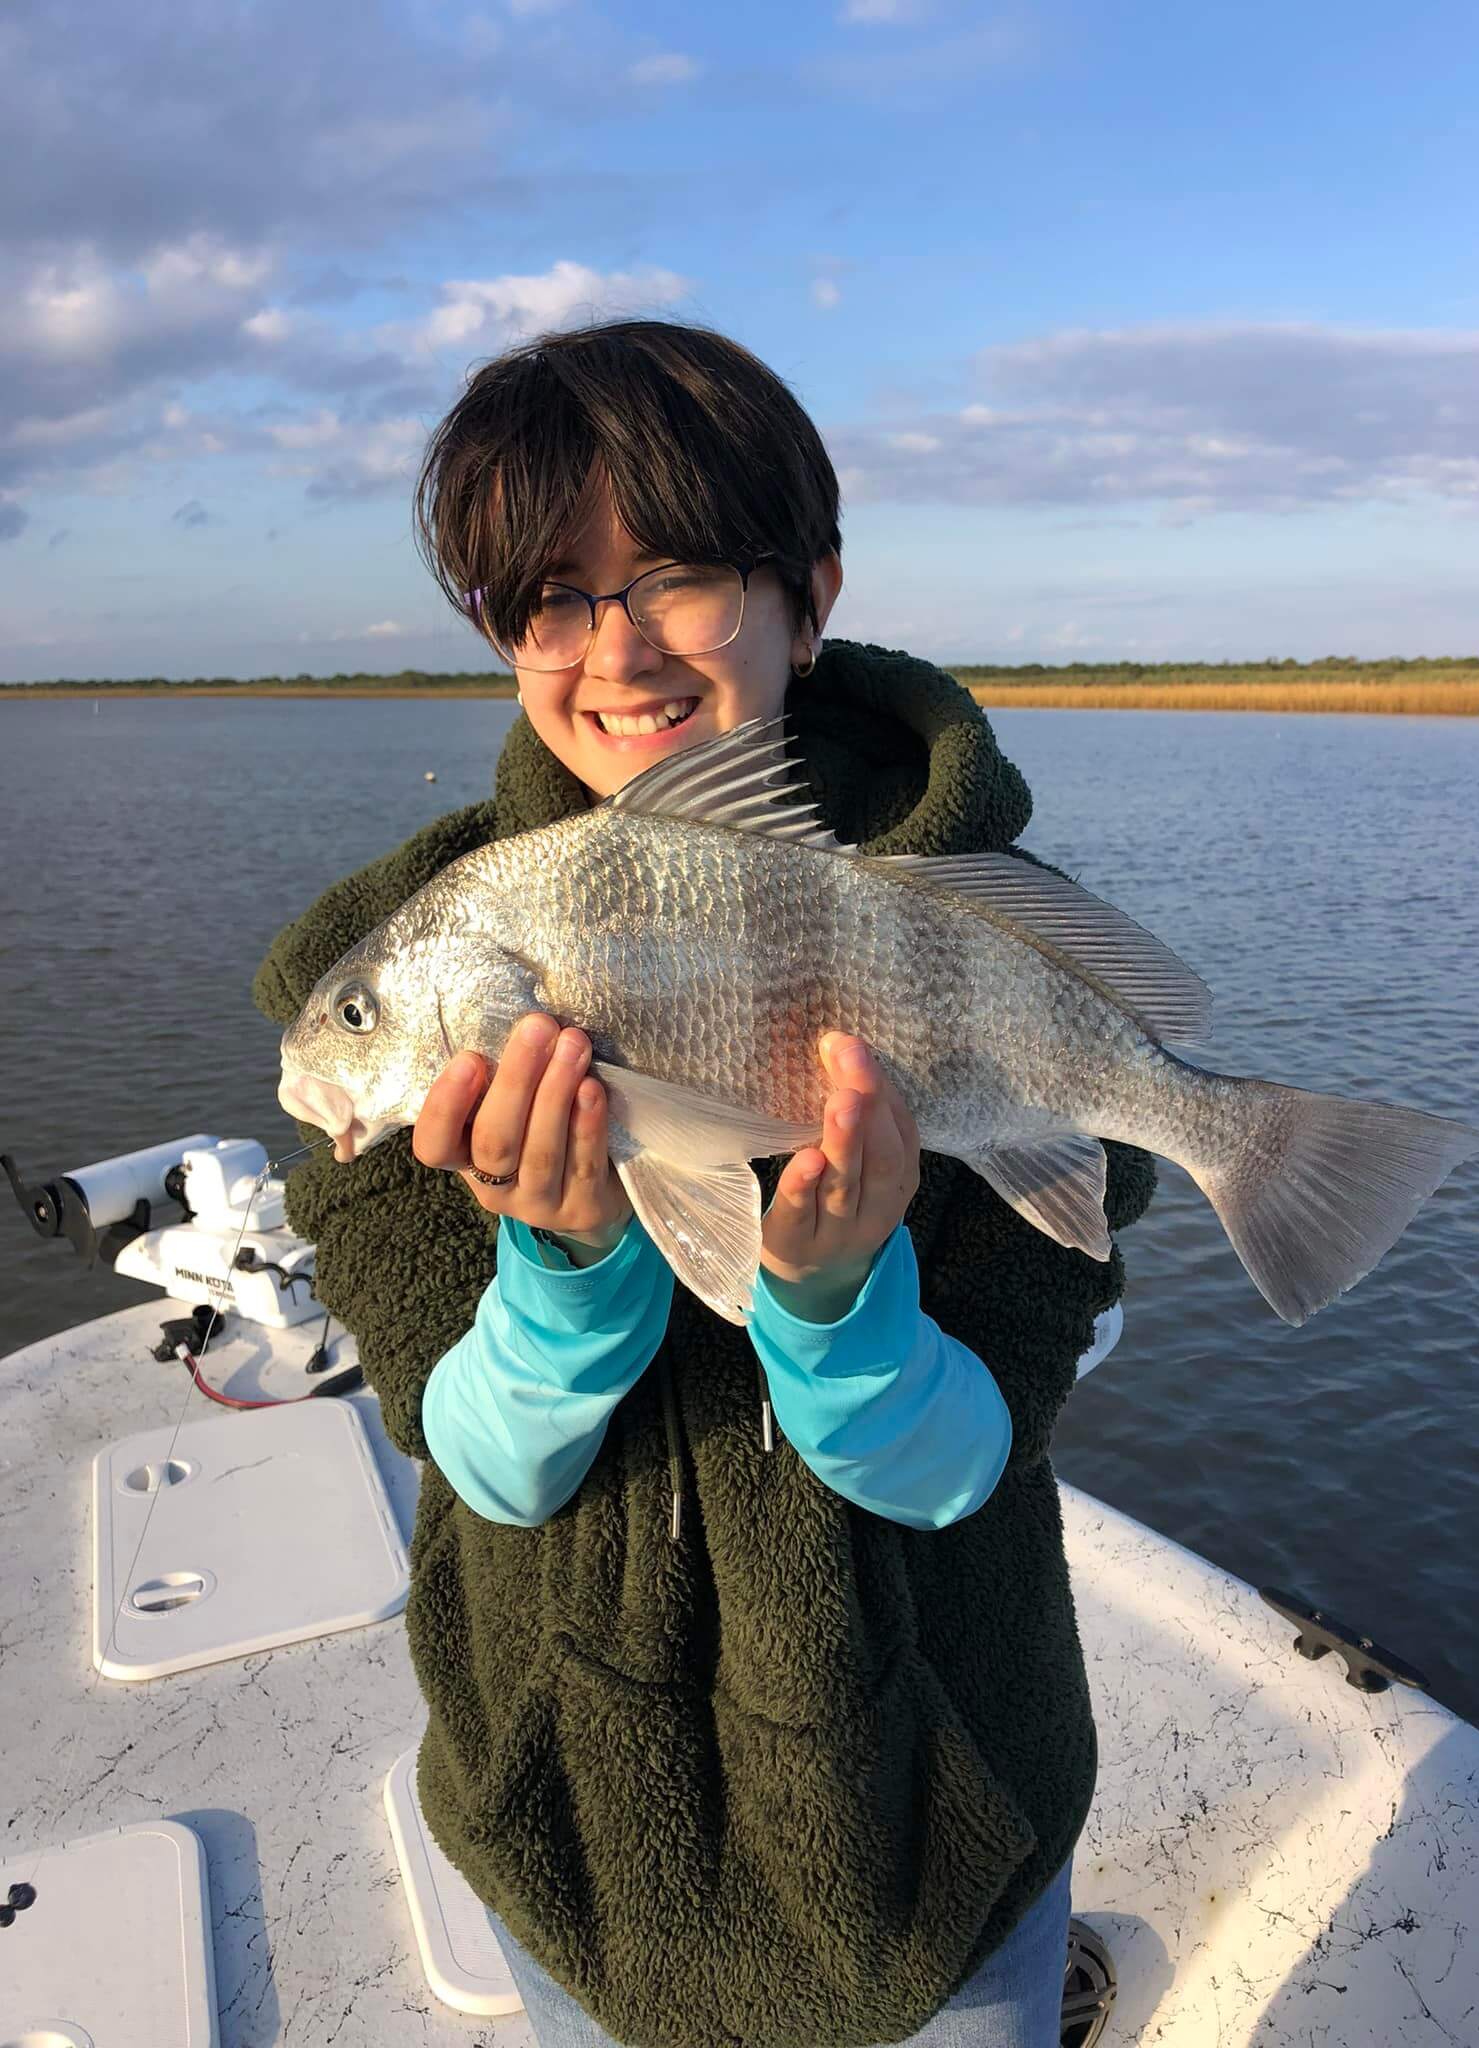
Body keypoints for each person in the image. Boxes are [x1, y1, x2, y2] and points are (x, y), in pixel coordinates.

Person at [252, 318, 1158, 2048]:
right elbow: (485, 1472)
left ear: (809, 597)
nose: (614, 651)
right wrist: (571, 1262)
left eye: (671, 579)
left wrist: (829, 1299)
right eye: (549, 599)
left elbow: (969, 1459)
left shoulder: (977, 926)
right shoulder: (417, 969)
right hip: (575, 1834)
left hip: (936, 1838)